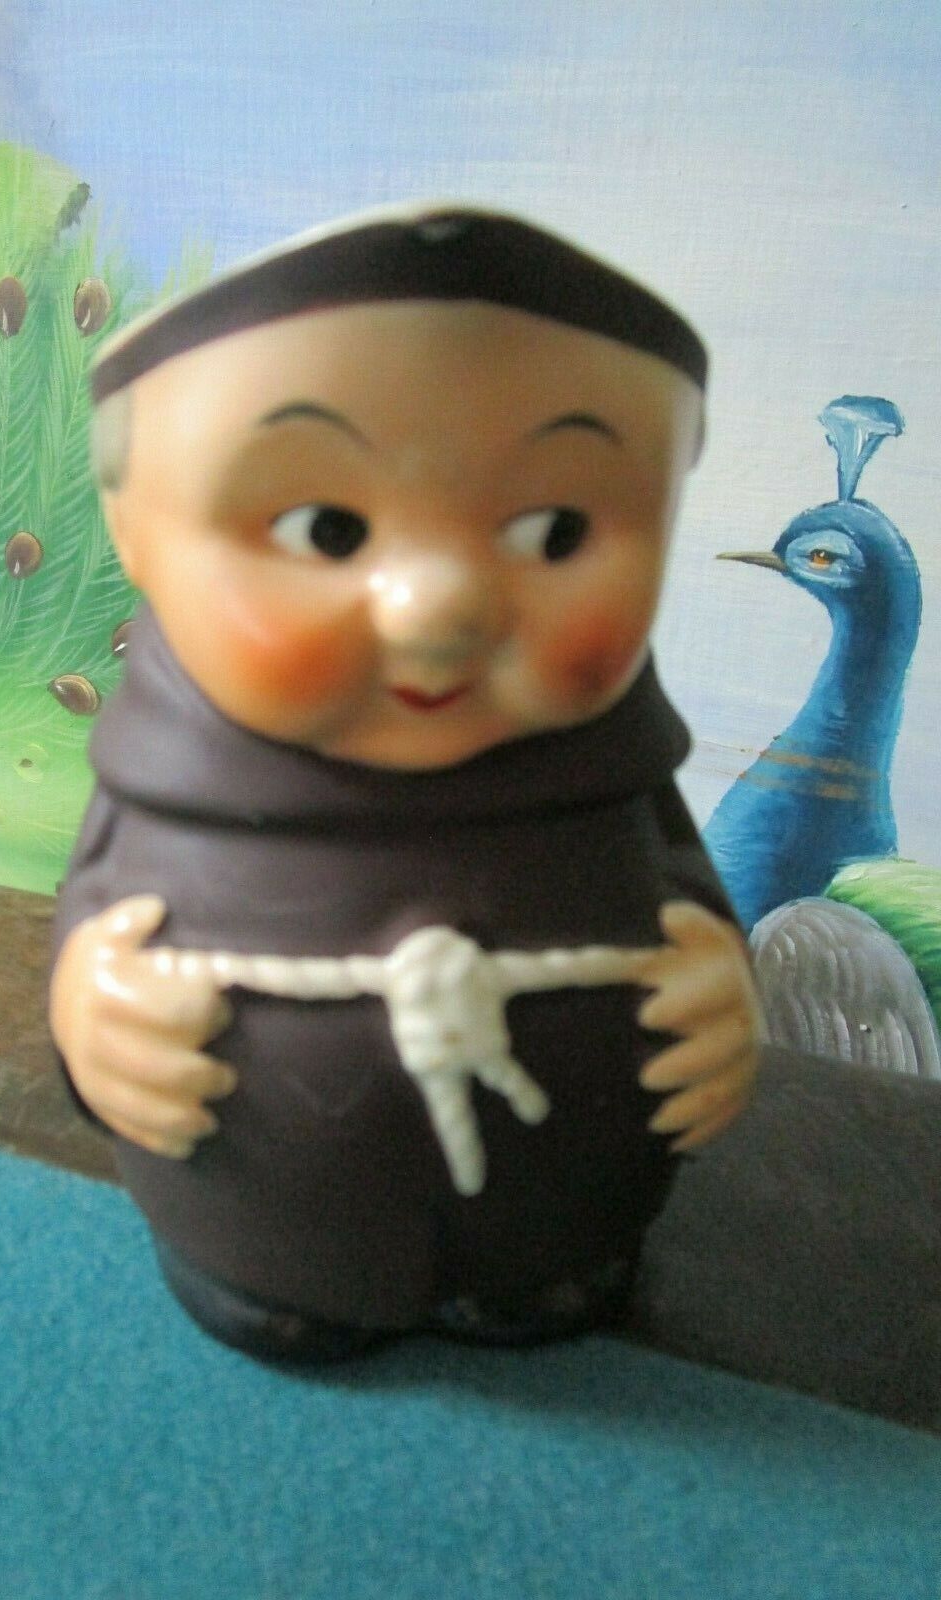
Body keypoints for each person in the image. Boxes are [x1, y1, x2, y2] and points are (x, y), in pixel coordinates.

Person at [49, 204, 760, 1361]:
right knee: (275, 1294)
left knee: (559, 1283)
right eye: (326, 528)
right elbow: (97, 906)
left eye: (555, 530)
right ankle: (275, 1277)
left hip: (566, 1214)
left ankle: (543, 1272)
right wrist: (93, 1012)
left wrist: (718, 992)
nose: (440, 608)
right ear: (135, 528)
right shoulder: (163, 779)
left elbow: (682, 883)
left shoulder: (614, 770)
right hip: (256, 1221)